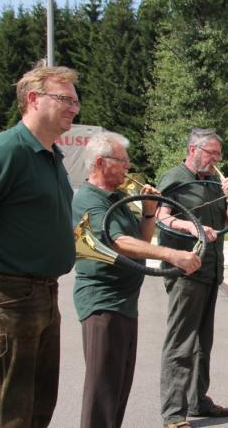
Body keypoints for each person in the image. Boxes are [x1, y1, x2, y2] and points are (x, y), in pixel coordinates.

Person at [72, 131, 202, 428]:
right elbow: (115, 241)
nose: (128, 167)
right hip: (103, 303)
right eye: (122, 161)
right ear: (102, 163)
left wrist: (147, 213)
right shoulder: (88, 199)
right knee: (102, 388)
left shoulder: (116, 197)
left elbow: (138, 240)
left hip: (124, 303)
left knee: (118, 387)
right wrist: (172, 255)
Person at [0, 63, 80, 428]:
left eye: (75, 101)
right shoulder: (7, 150)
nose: (74, 107)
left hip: (43, 294)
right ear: (34, 99)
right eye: (65, 99)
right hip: (7, 298)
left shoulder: (51, 154)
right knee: (7, 410)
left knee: (39, 404)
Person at [155, 128, 228, 427]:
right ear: (193, 149)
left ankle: (197, 401)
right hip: (185, 271)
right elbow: (161, 217)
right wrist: (192, 227)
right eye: (211, 153)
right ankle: (173, 414)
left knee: (204, 341)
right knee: (181, 342)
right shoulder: (175, 177)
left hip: (211, 270)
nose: (216, 159)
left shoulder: (214, 181)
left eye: (218, 154)